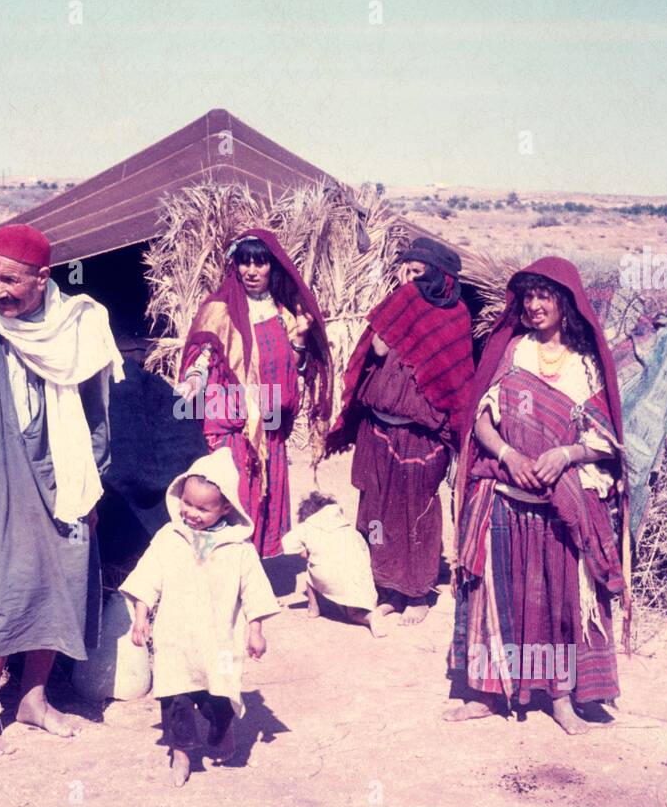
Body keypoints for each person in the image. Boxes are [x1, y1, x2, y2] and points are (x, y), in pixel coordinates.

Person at [0, 223, 124, 757]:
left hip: (67, 471)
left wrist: (94, 483)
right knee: (7, 585)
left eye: (10, 281)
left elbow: (96, 414)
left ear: (43, 278)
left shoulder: (79, 327)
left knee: (63, 579)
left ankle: (32, 699)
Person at [444, 257, 631, 735]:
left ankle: (561, 699)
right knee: (494, 595)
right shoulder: (512, 353)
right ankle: (488, 692)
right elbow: (481, 420)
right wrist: (508, 454)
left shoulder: (585, 365)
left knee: (558, 599)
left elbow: (605, 440)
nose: (534, 305)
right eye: (528, 297)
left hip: (558, 507)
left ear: (564, 302)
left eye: (544, 296)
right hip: (505, 493)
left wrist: (566, 454)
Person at [325, 237, 474, 625]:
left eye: (417, 272)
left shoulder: (454, 315)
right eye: (404, 270)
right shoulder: (398, 305)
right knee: (376, 510)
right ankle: (387, 587)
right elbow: (375, 349)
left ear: (440, 277)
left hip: (419, 434)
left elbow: (455, 380)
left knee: (416, 513)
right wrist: (401, 303)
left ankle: (418, 592)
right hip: (378, 427)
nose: (408, 279)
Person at [122, 448, 278, 787]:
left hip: (220, 639)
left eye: (203, 508)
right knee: (175, 695)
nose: (191, 513)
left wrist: (256, 630)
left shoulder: (238, 548)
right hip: (176, 636)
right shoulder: (169, 538)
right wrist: (140, 615)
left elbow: (254, 591)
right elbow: (147, 576)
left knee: (218, 695)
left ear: (224, 508)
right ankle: (180, 754)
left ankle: (223, 735)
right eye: (188, 504)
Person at [176, 229, 332, 557]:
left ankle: (248, 572)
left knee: (264, 496)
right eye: (244, 262)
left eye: (259, 263)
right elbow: (203, 354)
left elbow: (295, 367)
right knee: (229, 496)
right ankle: (215, 567)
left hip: (269, 424)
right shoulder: (219, 309)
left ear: (271, 267)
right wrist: (192, 382)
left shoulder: (284, 312)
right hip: (231, 426)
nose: (251, 270)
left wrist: (301, 340)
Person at [281, 492, 385, 637]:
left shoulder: (307, 526)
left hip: (331, 576)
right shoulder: (345, 525)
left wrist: (304, 552)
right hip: (359, 576)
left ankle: (314, 608)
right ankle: (372, 612)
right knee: (357, 601)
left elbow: (287, 542)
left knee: (311, 571)